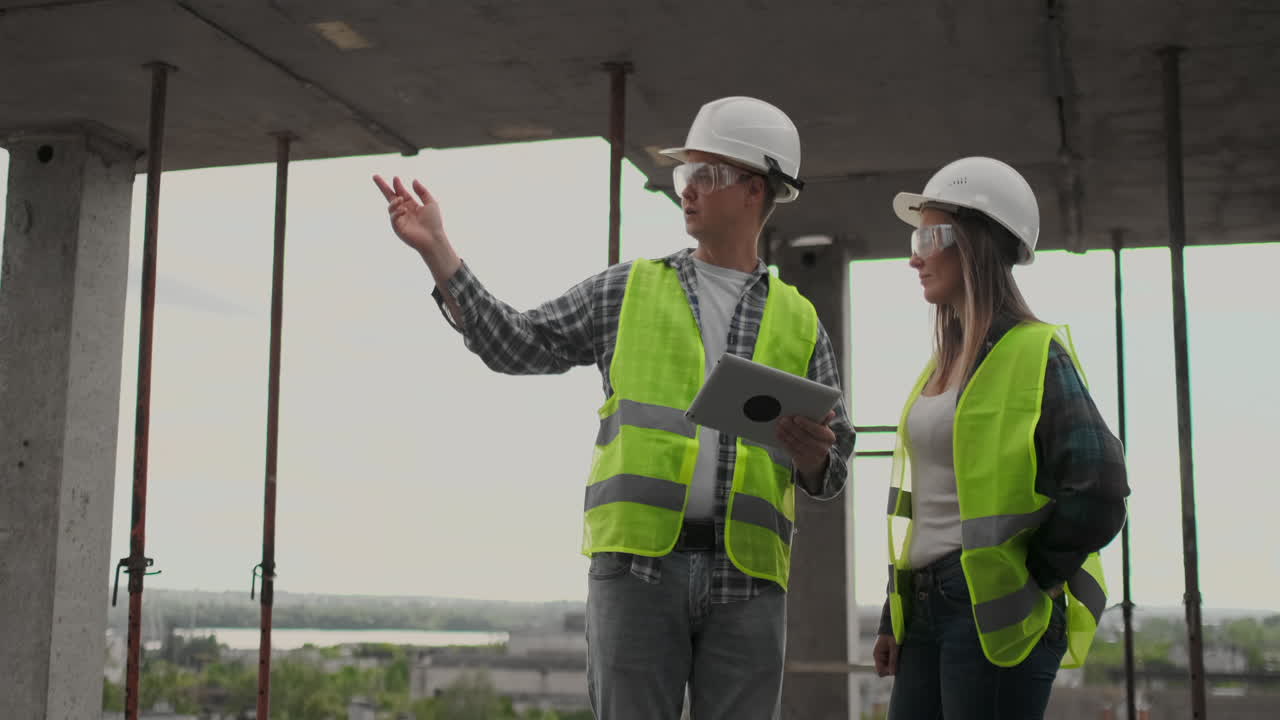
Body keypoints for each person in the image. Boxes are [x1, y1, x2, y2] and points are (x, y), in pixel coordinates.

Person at [372, 96, 855, 720]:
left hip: (751, 579)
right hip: (638, 571)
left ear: (753, 190)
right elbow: (514, 343)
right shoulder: (628, 289)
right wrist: (438, 251)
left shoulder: (800, 319)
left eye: (704, 175)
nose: (687, 191)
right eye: (685, 176)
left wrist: (817, 455)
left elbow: (833, 464)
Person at [871, 156, 1129, 719]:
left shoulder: (1034, 352)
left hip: (986, 609)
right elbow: (930, 504)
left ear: (975, 243)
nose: (914, 255)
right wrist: (899, 620)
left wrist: (1031, 575)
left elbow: (1100, 487)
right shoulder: (942, 366)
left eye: (929, 235)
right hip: (924, 609)